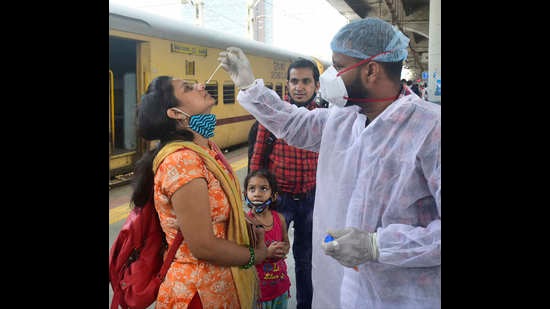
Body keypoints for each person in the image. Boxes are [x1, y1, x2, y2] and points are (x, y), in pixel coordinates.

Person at [218, 16, 441, 309]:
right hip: (336, 291)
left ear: (371, 70)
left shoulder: (429, 129)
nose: (331, 76)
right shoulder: (344, 118)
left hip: (399, 296)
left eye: (338, 65)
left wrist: (378, 246)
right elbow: (293, 124)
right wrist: (250, 87)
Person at [131, 76, 268, 309]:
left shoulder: (207, 148)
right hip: (197, 294)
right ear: (175, 113)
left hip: (219, 288)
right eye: (189, 88)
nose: (201, 86)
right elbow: (203, 245)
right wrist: (256, 255)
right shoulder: (182, 160)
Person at [247, 57, 323, 309]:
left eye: (306, 81)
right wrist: (255, 200)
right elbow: (258, 159)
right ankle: (266, 302)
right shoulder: (273, 117)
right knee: (269, 255)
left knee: (305, 259)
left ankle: (305, 305)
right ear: (287, 85)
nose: (299, 87)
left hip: (312, 199)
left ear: (317, 85)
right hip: (280, 201)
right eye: (294, 81)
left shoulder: (323, 118)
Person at [243, 169, 291, 309]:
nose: (257, 193)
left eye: (263, 188)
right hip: (258, 293)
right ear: (245, 194)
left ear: (274, 196)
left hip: (280, 287)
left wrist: (284, 249)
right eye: (252, 189)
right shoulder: (245, 222)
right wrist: (267, 253)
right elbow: (244, 256)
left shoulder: (279, 219)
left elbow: (286, 241)